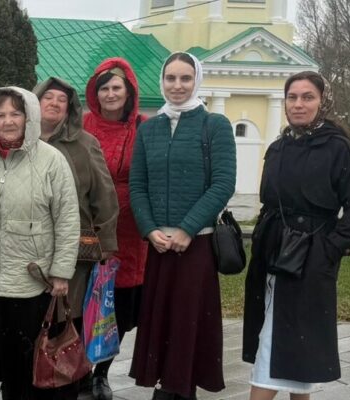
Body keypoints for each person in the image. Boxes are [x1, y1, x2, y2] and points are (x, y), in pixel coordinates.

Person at [243, 71, 350, 400]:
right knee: (293, 354)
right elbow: (269, 203)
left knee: (277, 347)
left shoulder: (338, 150)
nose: (298, 104)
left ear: (323, 102)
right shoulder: (278, 147)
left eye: (307, 97)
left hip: (310, 261)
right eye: (292, 97)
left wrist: (329, 249)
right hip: (272, 255)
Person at [127, 52, 235, 400]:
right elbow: (137, 185)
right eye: (170, 78)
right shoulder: (149, 128)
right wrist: (149, 229)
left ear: (196, 80)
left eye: (185, 78)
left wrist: (188, 229)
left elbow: (222, 183)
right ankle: (164, 385)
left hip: (196, 245)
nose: (177, 85)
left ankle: (181, 390)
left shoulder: (214, 125)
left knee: (189, 322)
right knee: (161, 321)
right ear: (162, 81)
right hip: (159, 245)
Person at [0, 87, 82, 400]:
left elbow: (68, 218)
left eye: (15, 113)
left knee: (31, 366)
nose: (8, 121)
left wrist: (61, 272)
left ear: (29, 116)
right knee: (5, 364)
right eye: (0, 114)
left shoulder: (51, 161)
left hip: (32, 284)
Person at [33, 76, 121, 400]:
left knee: (67, 325)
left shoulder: (84, 144)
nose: (55, 103)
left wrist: (106, 249)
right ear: (35, 101)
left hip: (75, 255)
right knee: (34, 325)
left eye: (62, 100)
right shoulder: (21, 142)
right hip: (30, 255)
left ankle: (71, 385)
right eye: (48, 97)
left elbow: (105, 198)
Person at [80, 58, 151, 400]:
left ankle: (101, 373)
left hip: (129, 229)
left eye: (116, 88)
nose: (110, 94)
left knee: (117, 304)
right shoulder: (81, 126)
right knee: (82, 298)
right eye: (104, 88)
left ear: (129, 91)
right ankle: (76, 369)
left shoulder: (143, 128)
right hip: (87, 224)